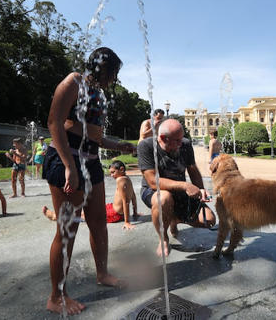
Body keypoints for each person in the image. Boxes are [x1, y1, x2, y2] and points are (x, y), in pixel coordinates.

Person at [43, 47, 135, 315]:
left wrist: (117, 145)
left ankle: (103, 274)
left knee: (98, 223)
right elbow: (54, 122)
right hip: (66, 159)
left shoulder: (100, 94)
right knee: (67, 229)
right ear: (100, 67)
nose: (113, 79)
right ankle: (56, 296)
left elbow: (95, 136)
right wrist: (69, 166)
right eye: (112, 72)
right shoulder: (73, 81)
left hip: (91, 161)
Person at [138, 119, 216, 257]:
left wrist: (201, 189)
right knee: (164, 198)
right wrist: (185, 185)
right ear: (162, 138)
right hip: (154, 192)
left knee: (209, 221)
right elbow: (152, 181)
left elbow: (192, 169)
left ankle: (174, 219)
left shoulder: (184, 144)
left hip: (180, 192)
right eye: (177, 141)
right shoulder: (146, 146)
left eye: (181, 139)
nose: (181, 144)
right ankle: (164, 239)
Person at [41, 160, 140, 230]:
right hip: (113, 210)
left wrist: (127, 222)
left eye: (113, 172)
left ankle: (56, 216)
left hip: (114, 214)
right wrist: (135, 212)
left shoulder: (120, 181)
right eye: (110, 173)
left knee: (86, 215)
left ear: (121, 169)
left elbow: (126, 201)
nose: (112, 175)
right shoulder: (127, 179)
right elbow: (133, 196)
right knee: (86, 212)